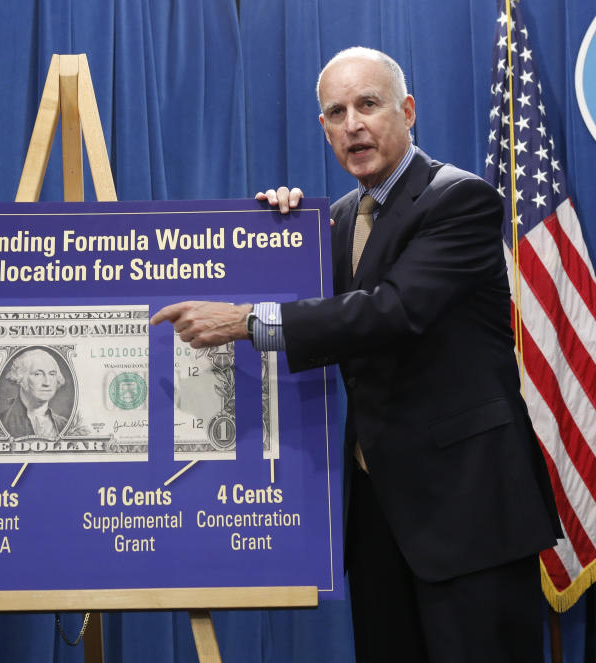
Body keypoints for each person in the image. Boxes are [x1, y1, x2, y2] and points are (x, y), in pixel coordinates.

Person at [152, 47, 561, 662]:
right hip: (380, 515)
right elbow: (323, 316)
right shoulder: (337, 219)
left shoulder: (461, 200)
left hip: (470, 511)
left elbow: (391, 311)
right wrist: (280, 232)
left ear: (408, 110)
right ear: (323, 128)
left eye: (368, 104)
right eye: (336, 112)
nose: (353, 124)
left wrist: (245, 321)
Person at [0, 347, 70, 439]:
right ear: (21, 378)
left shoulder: (65, 424)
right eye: (38, 374)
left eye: (52, 374)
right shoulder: (1, 422)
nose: (47, 383)